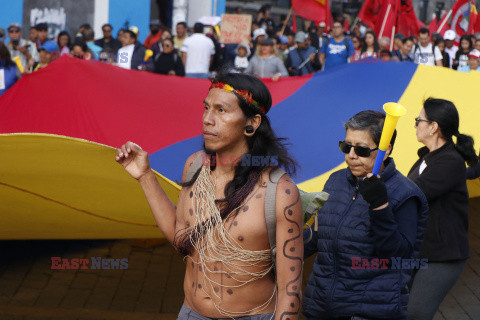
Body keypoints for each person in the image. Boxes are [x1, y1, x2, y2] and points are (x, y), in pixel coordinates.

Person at [115, 72, 303, 320]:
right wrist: (145, 176)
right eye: (206, 108)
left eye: (221, 110)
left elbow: (290, 292)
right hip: (191, 313)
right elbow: (181, 238)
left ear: (252, 123)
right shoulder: (195, 167)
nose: (207, 119)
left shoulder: (280, 192)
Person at [303, 110, 429, 320]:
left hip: (369, 311)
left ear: (385, 150)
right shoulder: (335, 180)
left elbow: (399, 257)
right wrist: (276, 254)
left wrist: (380, 206)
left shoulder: (405, 194)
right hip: (321, 306)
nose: (351, 155)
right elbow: (317, 235)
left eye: (361, 149)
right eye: (346, 146)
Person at [407, 98, 478, 320]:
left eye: (419, 120)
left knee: (415, 313)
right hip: (420, 252)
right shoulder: (427, 159)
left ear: (433, 126)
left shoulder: (450, 161)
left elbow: (413, 194)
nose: (416, 124)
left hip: (443, 256)